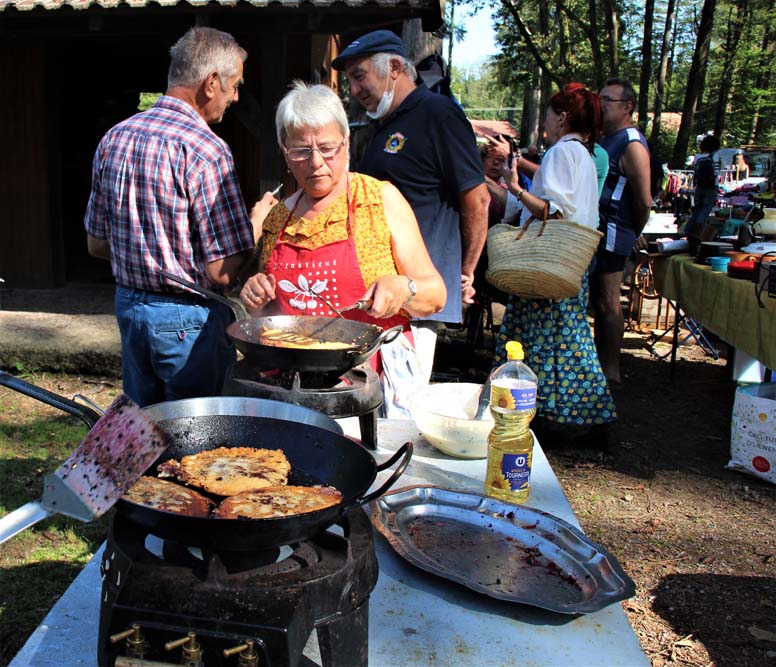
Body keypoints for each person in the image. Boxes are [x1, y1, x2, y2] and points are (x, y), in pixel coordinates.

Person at [239, 82, 446, 417]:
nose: (316, 163)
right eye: (301, 151)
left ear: (346, 141)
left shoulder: (379, 200)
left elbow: (436, 295)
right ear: (283, 150)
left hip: (369, 384)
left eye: (327, 148)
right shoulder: (277, 218)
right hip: (293, 385)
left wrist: (404, 287)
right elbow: (274, 315)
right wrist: (257, 298)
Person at [84, 27, 263, 407]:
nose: (235, 97)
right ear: (211, 83)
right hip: (188, 321)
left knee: (146, 427)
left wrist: (148, 256)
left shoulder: (114, 138)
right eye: (234, 86)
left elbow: (97, 244)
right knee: (197, 432)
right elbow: (222, 272)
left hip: (130, 309)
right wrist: (258, 224)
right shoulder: (206, 150)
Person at [331, 30, 489, 382]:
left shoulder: (438, 114)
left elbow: (477, 199)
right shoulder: (384, 124)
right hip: (378, 296)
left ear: (395, 68)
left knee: (401, 403)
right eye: (350, 80)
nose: (354, 90)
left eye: (359, 76)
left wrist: (465, 272)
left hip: (416, 301)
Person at [494, 83, 617, 447]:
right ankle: (562, 413)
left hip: (549, 261)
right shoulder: (583, 153)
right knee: (566, 337)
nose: (545, 122)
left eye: (549, 115)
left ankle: (566, 414)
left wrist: (515, 187)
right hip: (570, 259)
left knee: (554, 340)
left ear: (562, 117)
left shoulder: (562, 152)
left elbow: (553, 211)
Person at [593, 77, 652, 384]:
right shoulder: (606, 138)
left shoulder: (632, 143)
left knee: (608, 300)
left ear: (627, 107)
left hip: (615, 232)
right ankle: (599, 367)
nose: (600, 104)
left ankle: (611, 371)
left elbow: (644, 200)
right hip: (597, 230)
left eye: (607, 100)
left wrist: (632, 231)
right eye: (599, 98)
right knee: (597, 302)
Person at [683, 134, 721, 237]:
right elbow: (716, 172)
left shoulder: (697, 157)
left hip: (699, 186)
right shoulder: (715, 156)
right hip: (711, 186)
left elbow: (696, 172)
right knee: (706, 209)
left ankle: (688, 230)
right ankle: (698, 232)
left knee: (697, 209)